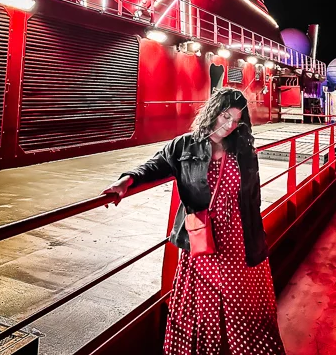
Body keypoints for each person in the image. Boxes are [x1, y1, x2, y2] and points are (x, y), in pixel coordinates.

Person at [102, 87, 286, 355]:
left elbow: (253, 200)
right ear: (213, 112)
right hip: (203, 239)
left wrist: (258, 240)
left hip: (239, 239)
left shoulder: (244, 150)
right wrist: (126, 179)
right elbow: (154, 165)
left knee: (245, 305)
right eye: (225, 116)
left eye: (236, 121)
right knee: (202, 307)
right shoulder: (184, 145)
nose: (229, 125)